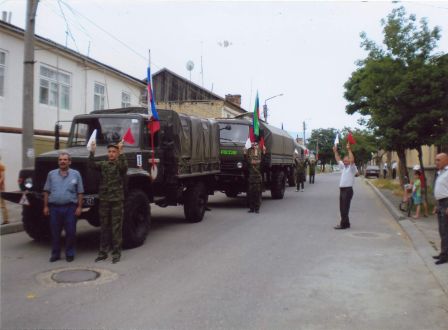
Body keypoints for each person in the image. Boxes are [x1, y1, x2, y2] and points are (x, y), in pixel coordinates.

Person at [89, 141, 128, 263]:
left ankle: (116, 254)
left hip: (116, 201)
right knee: (104, 227)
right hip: (105, 201)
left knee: (116, 228)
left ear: (117, 153)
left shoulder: (119, 165)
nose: (111, 154)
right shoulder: (104, 164)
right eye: (109, 152)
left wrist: (121, 152)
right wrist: (92, 151)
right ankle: (103, 252)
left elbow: (124, 168)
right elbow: (91, 165)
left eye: (113, 152)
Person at [43, 152, 84, 262]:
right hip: (54, 208)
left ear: (69, 162)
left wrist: (79, 207)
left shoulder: (76, 174)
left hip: (70, 208)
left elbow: (80, 192)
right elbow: (46, 191)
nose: (62, 161)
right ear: (58, 162)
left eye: (65, 159)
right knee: (55, 232)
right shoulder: (51, 174)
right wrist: (46, 206)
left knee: (70, 232)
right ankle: (55, 254)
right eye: (60, 159)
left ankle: (70, 253)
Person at [333, 143, 357, 230]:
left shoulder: (352, 168)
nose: (345, 162)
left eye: (347, 161)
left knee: (344, 208)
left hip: (348, 190)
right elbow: (338, 159)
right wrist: (335, 151)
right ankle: (347, 223)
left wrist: (349, 149)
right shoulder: (343, 167)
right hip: (342, 190)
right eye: (344, 161)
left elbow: (352, 160)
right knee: (342, 208)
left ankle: (343, 224)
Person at [433, 153, 448, 265]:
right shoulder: (440, 172)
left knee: (445, 231)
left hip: (446, 203)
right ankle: (443, 252)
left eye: (438, 160)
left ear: (446, 160)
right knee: (442, 230)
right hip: (441, 203)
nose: (436, 162)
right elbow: (440, 190)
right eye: (436, 160)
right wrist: (436, 205)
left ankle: (445, 256)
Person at [245, 141, 262, 214]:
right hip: (251, 178)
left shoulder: (259, 153)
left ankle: (257, 208)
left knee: (257, 194)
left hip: (257, 178)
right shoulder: (250, 154)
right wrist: (245, 153)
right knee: (251, 193)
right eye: (253, 144)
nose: (254, 145)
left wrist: (254, 161)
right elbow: (248, 160)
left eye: (255, 144)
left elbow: (259, 160)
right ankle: (252, 208)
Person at [0, 158, 9, 225]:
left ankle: (6, 220)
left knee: (2, 205)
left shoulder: (1, 166)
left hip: (1, 188)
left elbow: (2, 177)